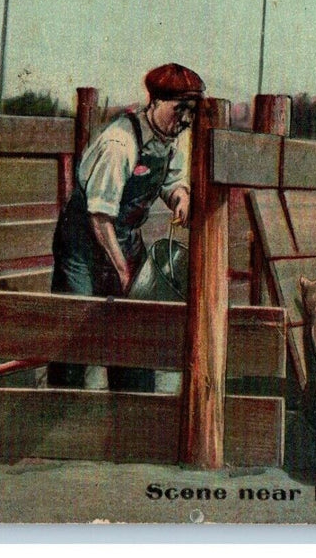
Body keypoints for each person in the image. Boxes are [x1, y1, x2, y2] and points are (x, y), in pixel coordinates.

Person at [47, 63, 205, 392]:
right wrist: (123, 271)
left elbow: (172, 179)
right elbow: (99, 217)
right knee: (75, 329)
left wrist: (180, 195)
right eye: (180, 110)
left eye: (191, 111)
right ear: (156, 102)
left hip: (126, 237)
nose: (186, 119)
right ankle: (60, 408)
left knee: (136, 327)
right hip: (83, 242)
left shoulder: (169, 138)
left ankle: (133, 409)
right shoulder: (119, 144)